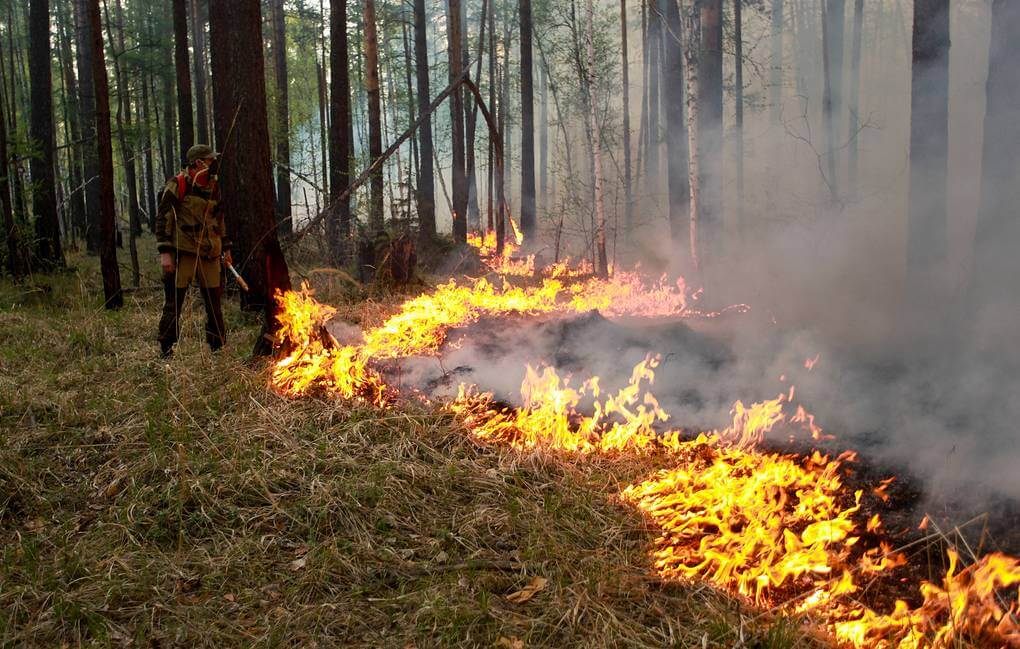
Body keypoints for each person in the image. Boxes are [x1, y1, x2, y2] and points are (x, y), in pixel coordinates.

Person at [155, 144, 231, 358]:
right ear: (198, 163)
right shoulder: (178, 184)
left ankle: (218, 348)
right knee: (175, 303)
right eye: (209, 160)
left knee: (214, 304)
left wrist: (226, 248)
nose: (213, 164)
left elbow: (219, 220)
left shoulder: (214, 186)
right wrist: (165, 252)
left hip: (210, 254)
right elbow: (163, 218)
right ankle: (166, 350)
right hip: (183, 253)